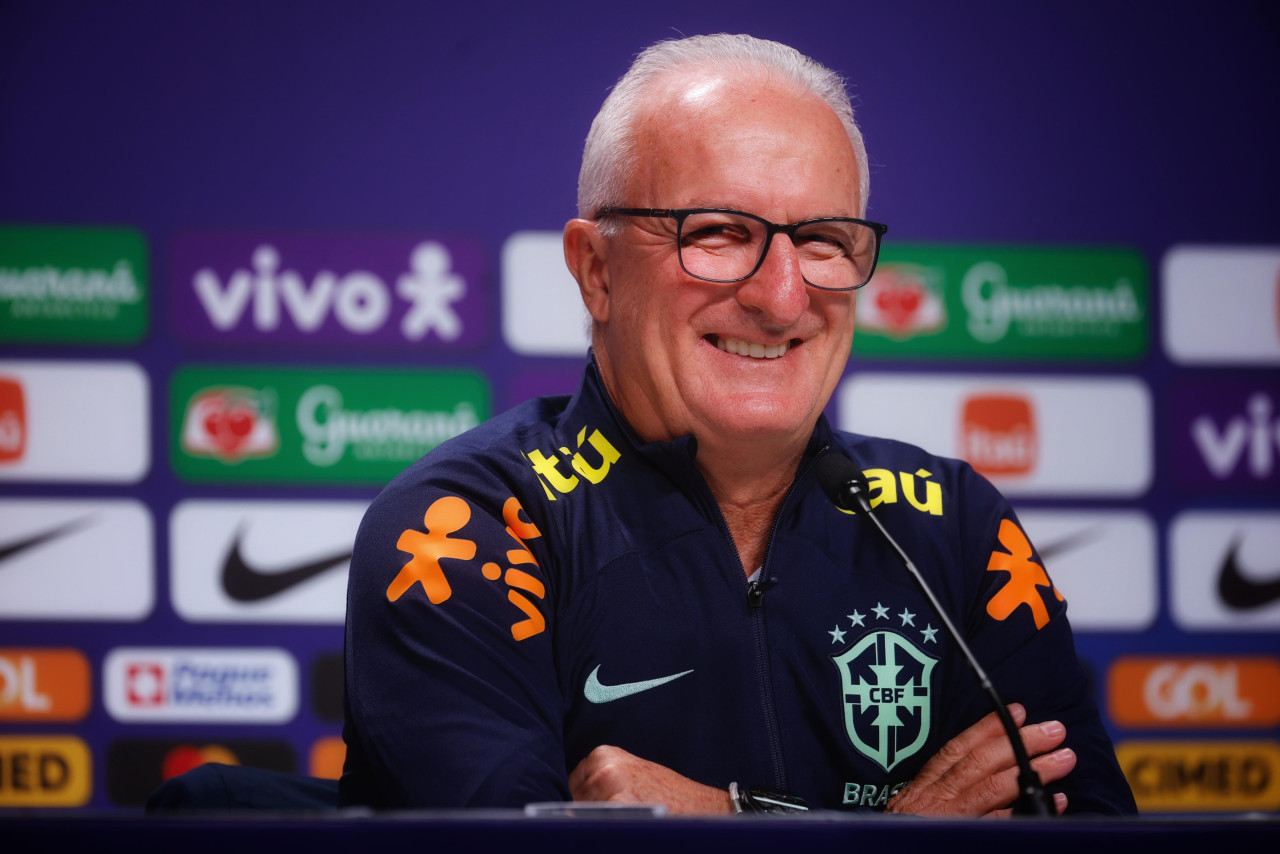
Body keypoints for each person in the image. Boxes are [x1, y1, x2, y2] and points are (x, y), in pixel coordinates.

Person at [340, 33, 1137, 816]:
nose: (783, 296)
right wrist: (907, 839)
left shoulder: (952, 528)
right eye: (718, 233)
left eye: (824, 240)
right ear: (596, 271)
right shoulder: (465, 527)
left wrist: (728, 820)